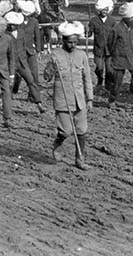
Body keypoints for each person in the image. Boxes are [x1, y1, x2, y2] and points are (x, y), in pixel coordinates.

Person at [44, 21, 93, 170]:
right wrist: (51, 67)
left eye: (75, 42)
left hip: (79, 100)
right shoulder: (56, 55)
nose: (72, 45)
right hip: (62, 98)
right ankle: (58, 143)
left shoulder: (82, 55)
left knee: (82, 130)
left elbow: (87, 78)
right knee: (66, 130)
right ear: (63, 41)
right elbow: (46, 77)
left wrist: (89, 98)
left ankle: (80, 159)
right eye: (69, 42)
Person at [107, 2, 133, 110]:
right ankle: (112, 100)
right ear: (125, 18)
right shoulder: (117, 28)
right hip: (119, 58)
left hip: (132, 57)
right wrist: (113, 55)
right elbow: (110, 43)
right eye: (131, 17)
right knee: (117, 81)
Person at [5, 12, 46, 114]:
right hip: (10, 63)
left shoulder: (21, 32)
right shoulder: (4, 34)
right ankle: (7, 106)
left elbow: (23, 47)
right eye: (10, 24)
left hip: (22, 62)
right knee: (8, 85)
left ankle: (38, 102)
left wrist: (25, 58)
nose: (12, 26)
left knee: (31, 81)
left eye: (14, 24)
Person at [86, 0, 115, 89]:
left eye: (106, 9)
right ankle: (100, 80)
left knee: (109, 69)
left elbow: (116, 34)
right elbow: (89, 34)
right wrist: (87, 31)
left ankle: (108, 84)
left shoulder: (112, 21)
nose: (105, 11)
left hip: (110, 50)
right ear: (99, 10)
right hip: (98, 49)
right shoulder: (94, 20)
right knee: (99, 67)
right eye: (103, 9)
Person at [16, 0, 42, 87]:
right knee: (18, 72)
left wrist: (38, 50)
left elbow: (37, 37)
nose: (26, 16)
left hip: (30, 51)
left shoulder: (34, 22)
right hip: (19, 51)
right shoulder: (17, 21)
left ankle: (33, 93)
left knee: (34, 72)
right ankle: (13, 89)